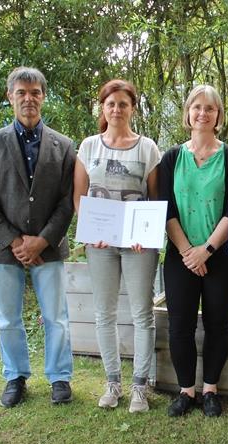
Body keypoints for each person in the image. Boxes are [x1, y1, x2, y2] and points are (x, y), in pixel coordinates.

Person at [0, 67, 76, 408]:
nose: (28, 99)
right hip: (5, 249)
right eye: (22, 92)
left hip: (49, 246)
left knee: (57, 316)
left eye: (35, 92)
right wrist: (14, 241)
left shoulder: (63, 146)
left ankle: (59, 377)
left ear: (44, 96)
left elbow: (67, 200)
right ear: (10, 97)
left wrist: (42, 240)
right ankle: (15, 375)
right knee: (7, 318)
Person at [158, 84, 228, 418]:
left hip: (221, 256)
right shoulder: (171, 158)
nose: (202, 113)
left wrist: (206, 251)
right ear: (187, 113)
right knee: (179, 325)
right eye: (196, 107)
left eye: (210, 108)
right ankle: (186, 391)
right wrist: (187, 252)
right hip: (181, 256)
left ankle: (210, 389)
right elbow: (165, 209)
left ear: (218, 115)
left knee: (217, 324)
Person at [72, 80, 161, 413]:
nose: (116, 109)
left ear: (132, 108)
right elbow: (79, 197)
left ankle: (139, 385)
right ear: (103, 108)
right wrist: (91, 229)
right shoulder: (89, 146)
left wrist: (147, 232)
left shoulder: (147, 148)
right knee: (103, 314)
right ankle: (112, 382)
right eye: (111, 104)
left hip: (138, 246)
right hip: (101, 244)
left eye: (123, 104)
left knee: (142, 313)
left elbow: (156, 197)